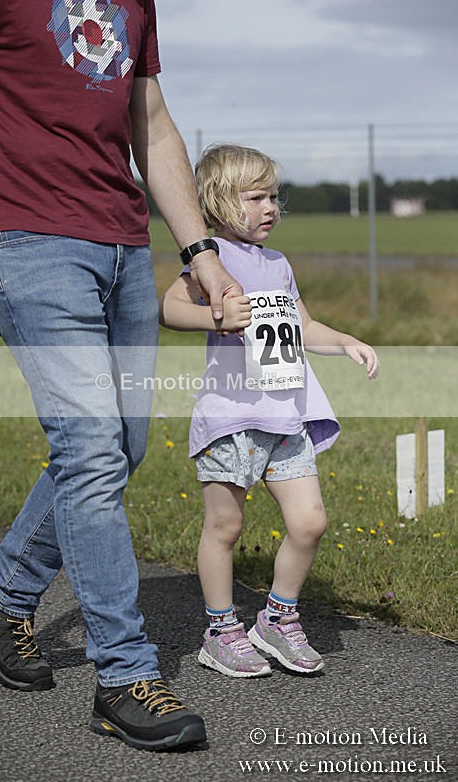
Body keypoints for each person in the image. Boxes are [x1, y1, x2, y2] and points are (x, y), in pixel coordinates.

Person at [0, 0, 243, 752]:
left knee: (117, 446)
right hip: (25, 239)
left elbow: (152, 122)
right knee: (92, 449)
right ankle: (124, 675)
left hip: (123, 247)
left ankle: (1, 594)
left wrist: (200, 251)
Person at [160, 143, 380, 679]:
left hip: (286, 419)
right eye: (255, 197)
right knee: (226, 526)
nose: (270, 208)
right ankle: (220, 629)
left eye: (274, 197)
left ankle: (277, 619)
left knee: (310, 522)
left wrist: (346, 340)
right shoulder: (210, 258)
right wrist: (216, 318)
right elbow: (168, 308)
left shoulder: (279, 264)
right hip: (232, 417)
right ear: (217, 200)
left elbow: (302, 327)